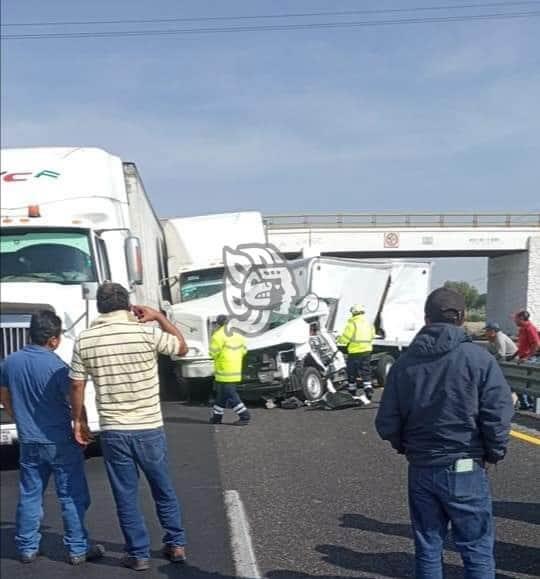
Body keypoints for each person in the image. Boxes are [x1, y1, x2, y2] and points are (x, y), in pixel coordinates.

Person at [375, 287, 513, 579]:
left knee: (428, 547)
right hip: (466, 466)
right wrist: (494, 452)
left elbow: (386, 422)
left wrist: (407, 447)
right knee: (476, 549)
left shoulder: (404, 364)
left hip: (422, 466)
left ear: (426, 319)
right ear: (462, 317)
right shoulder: (478, 359)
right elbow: (497, 415)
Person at [69, 282, 188, 571]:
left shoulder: (85, 339)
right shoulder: (146, 333)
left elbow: (76, 384)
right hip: (149, 425)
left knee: (126, 494)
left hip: (114, 429)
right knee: (162, 488)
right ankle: (176, 544)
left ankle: (138, 553)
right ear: (128, 305)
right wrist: (159, 317)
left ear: (99, 307)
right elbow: (182, 348)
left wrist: (80, 420)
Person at [0, 310, 104, 565]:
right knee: (71, 495)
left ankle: (26, 547)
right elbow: (74, 398)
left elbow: (4, 394)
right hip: (58, 441)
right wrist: (81, 424)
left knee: (30, 494)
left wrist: (16, 415)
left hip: (29, 440)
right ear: (54, 339)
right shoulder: (57, 367)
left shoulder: (10, 362)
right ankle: (77, 548)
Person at [209, 315, 250, 425]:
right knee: (221, 395)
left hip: (224, 370)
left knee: (231, 394)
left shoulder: (217, 336)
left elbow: (213, 352)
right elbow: (244, 350)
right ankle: (217, 417)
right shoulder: (238, 334)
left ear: (218, 324)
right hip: (235, 368)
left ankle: (244, 416)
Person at [337, 304, 374, 404]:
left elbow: (345, 338)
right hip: (367, 350)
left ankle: (352, 391)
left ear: (353, 313)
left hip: (355, 351)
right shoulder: (368, 323)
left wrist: (338, 340)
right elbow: (372, 335)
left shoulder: (352, 323)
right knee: (365, 370)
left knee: (351, 372)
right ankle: (368, 388)